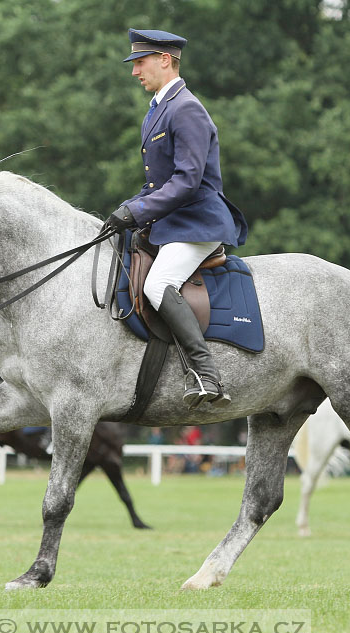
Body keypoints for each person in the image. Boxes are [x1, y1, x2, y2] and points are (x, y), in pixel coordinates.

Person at [107, 28, 248, 410]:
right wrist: (124, 210)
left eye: (140, 62)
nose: (135, 71)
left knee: (157, 284)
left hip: (197, 221)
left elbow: (186, 181)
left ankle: (205, 373)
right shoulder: (156, 110)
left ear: (164, 60)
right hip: (172, 222)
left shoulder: (186, 108)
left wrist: (136, 212)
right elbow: (155, 184)